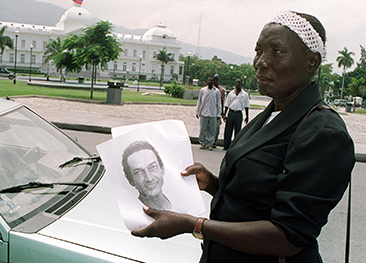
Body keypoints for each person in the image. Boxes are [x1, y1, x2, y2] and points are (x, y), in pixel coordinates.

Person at [131, 11, 355, 263]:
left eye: (276, 51)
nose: (261, 61)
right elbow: (257, 200)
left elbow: (288, 237)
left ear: (311, 62)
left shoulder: (323, 133)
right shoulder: (272, 113)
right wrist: (214, 184)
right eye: (259, 51)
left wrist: (195, 225)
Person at [122, 140, 171, 210]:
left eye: (153, 167)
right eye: (138, 172)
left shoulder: (180, 201)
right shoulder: (132, 213)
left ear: (162, 169)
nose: (149, 178)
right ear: (131, 180)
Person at [223, 78, 250, 150]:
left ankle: (235, 147)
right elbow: (227, 104)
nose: (237, 84)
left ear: (241, 84)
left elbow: (246, 106)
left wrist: (247, 116)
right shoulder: (231, 94)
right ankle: (226, 146)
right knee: (228, 131)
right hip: (231, 113)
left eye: (239, 82)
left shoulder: (244, 94)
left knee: (238, 131)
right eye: (236, 82)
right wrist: (224, 114)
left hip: (238, 114)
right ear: (235, 84)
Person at [196, 76, 221, 151]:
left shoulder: (216, 91)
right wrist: (197, 112)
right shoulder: (203, 90)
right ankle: (202, 143)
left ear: (213, 82)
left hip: (213, 113)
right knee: (203, 129)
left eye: (211, 80)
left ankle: (210, 144)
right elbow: (199, 101)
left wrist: (218, 114)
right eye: (208, 80)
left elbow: (218, 103)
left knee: (212, 130)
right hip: (204, 113)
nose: (209, 81)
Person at [212, 74, 226, 148]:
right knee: (209, 127)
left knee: (217, 127)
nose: (216, 81)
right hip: (210, 110)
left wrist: (222, 112)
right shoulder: (210, 88)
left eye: (217, 79)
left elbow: (222, 101)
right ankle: (209, 141)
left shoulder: (222, 90)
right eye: (215, 79)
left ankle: (214, 142)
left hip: (217, 110)